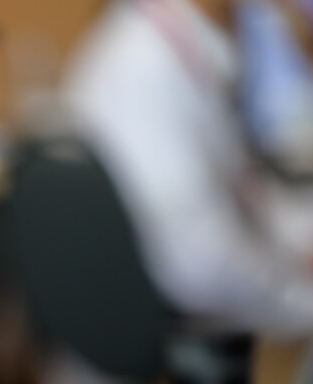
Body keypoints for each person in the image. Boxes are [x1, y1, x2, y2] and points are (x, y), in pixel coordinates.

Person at [63, 0, 313, 335]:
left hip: (210, 294)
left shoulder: (191, 44)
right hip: (165, 336)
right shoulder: (142, 64)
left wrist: (294, 249)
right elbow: (203, 267)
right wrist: (299, 297)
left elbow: (242, 188)